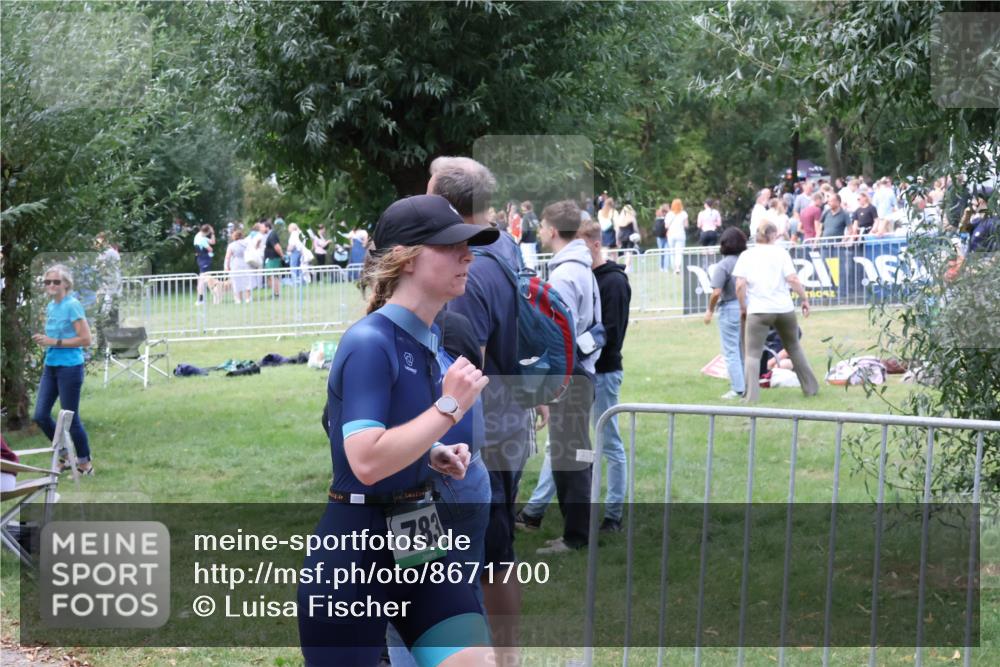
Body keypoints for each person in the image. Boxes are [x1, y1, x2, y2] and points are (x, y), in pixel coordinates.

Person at [297, 194, 498, 667]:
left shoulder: (426, 341)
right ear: (406, 259)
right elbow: (364, 461)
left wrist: (429, 453)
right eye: (451, 247)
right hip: (354, 546)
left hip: (417, 529)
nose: (467, 256)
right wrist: (448, 408)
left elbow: (374, 432)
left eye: (468, 246)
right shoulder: (369, 341)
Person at [430, 156, 539, 665]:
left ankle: (496, 659)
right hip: (508, 420)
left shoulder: (466, 272)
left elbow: (460, 365)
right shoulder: (505, 247)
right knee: (498, 554)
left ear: (446, 204)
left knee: (476, 561)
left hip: (481, 436)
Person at [518, 220, 630, 533]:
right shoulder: (586, 276)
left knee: (608, 443)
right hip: (583, 372)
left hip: (602, 372)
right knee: (564, 444)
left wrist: (579, 358)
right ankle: (535, 510)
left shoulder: (613, 283)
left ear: (593, 243)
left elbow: (610, 333)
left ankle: (613, 514)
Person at [533, 200, 600, 555]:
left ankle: (576, 537)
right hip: (583, 372)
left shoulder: (564, 273)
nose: (540, 231)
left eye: (542, 225)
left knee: (568, 457)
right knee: (578, 454)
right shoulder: (583, 268)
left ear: (553, 230)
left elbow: (559, 334)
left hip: (569, 377)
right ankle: (580, 531)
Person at [732, 222, 819, 403]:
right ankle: (811, 388)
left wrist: (743, 307)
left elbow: (740, 284)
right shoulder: (781, 253)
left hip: (758, 310)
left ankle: (751, 397)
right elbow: (792, 279)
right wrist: (804, 298)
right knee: (794, 347)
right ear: (773, 236)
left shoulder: (747, 256)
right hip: (783, 309)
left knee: (752, 354)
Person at [32, 265, 94, 476]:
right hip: (51, 366)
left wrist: (53, 341)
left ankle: (85, 463)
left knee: (71, 418)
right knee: (40, 415)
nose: (51, 285)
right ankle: (67, 456)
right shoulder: (51, 306)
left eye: (56, 282)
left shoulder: (73, 305)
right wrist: (45, 340)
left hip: (70, 367)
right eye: (47, 282)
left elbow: (86, 339)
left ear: (66, 284)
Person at [703, 227, 748, 399]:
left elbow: (716, 292)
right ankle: (746, 384)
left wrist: (709, 310)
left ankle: (738, 388)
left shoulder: (723, 266)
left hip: (729, 307)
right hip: (746, 306)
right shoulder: (746, 262)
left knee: (731, 351)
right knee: (743, 348)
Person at [224, 229, 253, 304]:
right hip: (246, 262)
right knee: (247, 281)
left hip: (236, 263)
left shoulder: (231, 245)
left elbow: (228, 257)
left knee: (236, 281)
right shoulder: (246, 243)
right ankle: (248, 298)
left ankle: (238, 299)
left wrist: (227, 267)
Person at [193, 224, 215, 305]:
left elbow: (212, 242)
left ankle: (202, 299)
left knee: (203, 279)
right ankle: (200, 299)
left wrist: (212, 234)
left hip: (202, 259)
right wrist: (211, 233)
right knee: (202, 280)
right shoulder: (201, 239)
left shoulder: (199, 235)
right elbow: (210, 248)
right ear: (207, 231)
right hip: (204, 260)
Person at [262, 219, 285, 298]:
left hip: (273, 259)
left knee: (273, 276)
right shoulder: (270, 235)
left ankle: (277, 293)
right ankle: (275, 293)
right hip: (270, 259)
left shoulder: (272, 235)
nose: (261, 229)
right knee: (270, 276)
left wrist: (282, 255)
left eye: (262, 227)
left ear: (267, 227)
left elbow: (277, 247)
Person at [665, 198, 688, 274]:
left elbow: (666, 226)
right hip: (680, 234)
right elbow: (686, 225)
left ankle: (674, 268)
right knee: (679, 252)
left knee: (672, 252)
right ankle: (678, 267)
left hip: (671, 234)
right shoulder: (684, 213)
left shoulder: (669, 214)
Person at [518, 201, 539, 270]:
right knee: (534, 260)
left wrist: (521, 240)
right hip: (533, 240)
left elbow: (525, 231)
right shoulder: (534, 215)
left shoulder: (526, 217)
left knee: (528, 261)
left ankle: (530, 278)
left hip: (526, 242)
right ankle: (537, 276)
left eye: (522, 208)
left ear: (525, 207)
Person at [652, 204, 668, 270]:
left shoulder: (657, 217)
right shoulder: (667, 216)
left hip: (659, 236)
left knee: (661, 251)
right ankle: (665, 267)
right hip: (665, 235)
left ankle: (662, 267)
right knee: (666, 252)